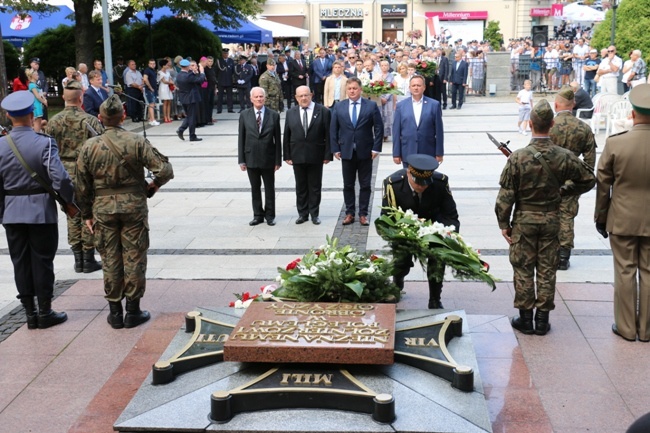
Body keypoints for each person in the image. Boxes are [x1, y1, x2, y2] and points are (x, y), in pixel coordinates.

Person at [495, 99, 596, 336]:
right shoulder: (564, 156)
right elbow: (588, 179)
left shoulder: (518, 158)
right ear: (551, 124)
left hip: (524, 220)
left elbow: (504, 198)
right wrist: (564, 191)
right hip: (552, 219)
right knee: (547, 269)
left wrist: (504, 224)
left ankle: (525, 319)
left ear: (530, 124)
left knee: (522, 267)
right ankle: (542, 320)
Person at [75, 95, 174, 329]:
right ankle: (133, 311)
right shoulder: (136, 141)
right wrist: (154, 185)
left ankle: (115, 312)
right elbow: (165, 169)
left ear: (100, 119)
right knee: (134, 257)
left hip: (103, 209)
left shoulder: (90, 146)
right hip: (133, 208)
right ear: (124, 116)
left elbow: (81, 185)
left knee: (109, 258)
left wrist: (86, 214)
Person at [0, 91, 74, 329]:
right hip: (41, 211)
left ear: (9, 116)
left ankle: (30, 314)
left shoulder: (1, 145)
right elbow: (60, 179)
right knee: (42, 261)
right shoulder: (44, 142)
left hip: (11, 212)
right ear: (32, 115)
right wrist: (68, 200)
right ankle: (45, 311)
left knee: (20, 262)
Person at [595, 84, 650, 342]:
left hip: (622, 218)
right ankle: (647, 329)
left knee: (625, 271)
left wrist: (600, 217)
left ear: (633, 113)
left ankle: (627, 328)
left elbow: (603, 185)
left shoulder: (616, 143)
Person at [381, 154, 459, 309]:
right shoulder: (393, 184)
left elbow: (450, 214)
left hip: (433, 228)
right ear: (409, 173)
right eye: (418, 183)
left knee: (438, 259)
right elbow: (387, 218)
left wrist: (446, 234)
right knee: (401, 261)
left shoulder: (439, 182)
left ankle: (435, 298)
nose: (422, 187)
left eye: (425, 183)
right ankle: (397, 283)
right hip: (405, 230)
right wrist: (401, 233)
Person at [45, 80, 104, 274]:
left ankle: (77, 258)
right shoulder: (90, 120)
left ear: (63, 98)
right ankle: (88, 257)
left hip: (62, 171)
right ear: (81, 99)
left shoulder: (53, 122)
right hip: (85, 172)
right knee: (88, 212)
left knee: (72, 214)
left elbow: (46, 150)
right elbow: (101, 147)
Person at [549, 87, 597, 270]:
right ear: (573, 105)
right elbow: (590, 161)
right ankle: (563, 257)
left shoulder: (549, 124)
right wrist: (576, 180)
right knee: (567, 217)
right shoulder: (583, 128)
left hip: (549, 180)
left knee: (547, 215)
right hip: (572, 182)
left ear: (556, 104)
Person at [329, 77, 384, 226]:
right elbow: (333, 129)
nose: (352, 91)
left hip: (365, 151)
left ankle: (363, 214)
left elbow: (379, 128)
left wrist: (376, 148)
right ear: (346, 90)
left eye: (354, 88)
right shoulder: (339, 107)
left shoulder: (371, 106)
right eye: (349, 89)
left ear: (360, 89)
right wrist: (335, 149)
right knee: (348, 184)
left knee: (365, 184)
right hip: (346, 151)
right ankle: (349, 213)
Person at [283, 85, 332, 225]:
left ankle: (314, 214)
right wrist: (286, 154)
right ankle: (302, 214)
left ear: (311, 95)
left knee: (315, 186)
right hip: (297, 155)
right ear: (296, 98)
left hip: (316, 154)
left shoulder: (322, 111)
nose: (304, 98)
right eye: (300, 96)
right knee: (301, 186)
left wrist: (328, 154)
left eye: (306, 95)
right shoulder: (291, 112)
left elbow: (328, 134)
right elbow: (287, 134)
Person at [238, 87, 282, 226]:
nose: (259, 99)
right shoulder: (244, 115)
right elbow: (241, 138)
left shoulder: (273, 115)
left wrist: (277, 160)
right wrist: (241, 160)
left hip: (268, 158)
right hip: (251, 157)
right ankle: (258, 215)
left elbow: (277, 140)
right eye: (256, 97)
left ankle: (270, 215)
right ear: (251, 99)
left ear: (265, 98)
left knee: (269, 188)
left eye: (261, 96)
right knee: (255, 188)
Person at [392, 75, 444, 168]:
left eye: (419, 85)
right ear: (409, 88)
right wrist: (396, 153)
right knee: (409, 181)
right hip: (408, 151)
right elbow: (396, 131)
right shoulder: (401, 106)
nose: (416, 88)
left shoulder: (434, 105)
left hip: (427, 151)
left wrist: (439, 152)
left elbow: (439, 131)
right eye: (413, 85)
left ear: (424, 87)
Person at [175, 58, 205, 142]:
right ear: (187, 66)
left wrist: (193, 73)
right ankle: (191, 135)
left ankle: (181, 129)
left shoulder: (179, 75)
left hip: (183, 98)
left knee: (189, 116)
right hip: (191, 98)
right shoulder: (188, 75)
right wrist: (202, 72)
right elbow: (200, 80)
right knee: (192, 117)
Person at [26, 68, 47, 132]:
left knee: (38, 121)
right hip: (36, 105)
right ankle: (36, 135)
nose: (38, 76)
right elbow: (37, 96)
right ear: (33, 76)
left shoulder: (35, 85)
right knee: (37, 122)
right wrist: (44, 101)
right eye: (37, 75)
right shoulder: (32, 85)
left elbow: (40, 94)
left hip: (38, 104)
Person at [216, 48, 235, 113]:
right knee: (220, 96)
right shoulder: (219, 61)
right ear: (222, 54)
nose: (225, 54)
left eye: (227, 53)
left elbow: (233, 71)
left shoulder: (231, 61)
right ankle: (219, 109)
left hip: (229, 81)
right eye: (224, 53)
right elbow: (216, 71)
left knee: (229, 96)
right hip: (221, 81)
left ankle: (230, 109)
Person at [142, 59, 160, 126]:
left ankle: (150, 119)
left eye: (154, 63)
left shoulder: (153, 71)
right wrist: (150, 87)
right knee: (151, 104)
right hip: (150, 90)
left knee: (152, 104)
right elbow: (145, 79)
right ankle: (153, 120)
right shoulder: (147, 70)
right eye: (151, 63)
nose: (152, 65)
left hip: (154, 89)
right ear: (148, 64)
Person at [157, 59, 174, 123]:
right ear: (163, 65)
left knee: (169, 102)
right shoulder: (160, 72)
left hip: (168, 87)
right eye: (166, 65)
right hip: (163, 87)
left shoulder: (168, 72)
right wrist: (171, 83)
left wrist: (171, 83)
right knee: (165, 102)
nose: (167, 66)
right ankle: (165, 117)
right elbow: (163, 81)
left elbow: (170, 79)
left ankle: (168, 116)